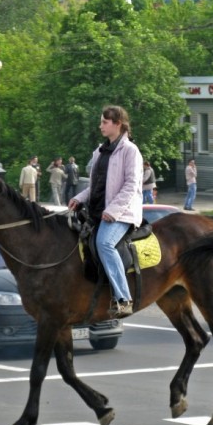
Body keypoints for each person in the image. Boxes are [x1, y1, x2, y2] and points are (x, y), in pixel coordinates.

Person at [68, 105, 143, 318]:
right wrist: (78, 198)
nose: (100, 125)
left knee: (104, 243)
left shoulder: (130, 151)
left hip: (122, 213)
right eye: (101, 122)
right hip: (98, 211)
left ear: (118, 124)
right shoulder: (101, 151)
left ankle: (123, 298)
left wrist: (113, 210)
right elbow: (97, 186)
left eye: (104, 122)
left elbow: (131, 186)